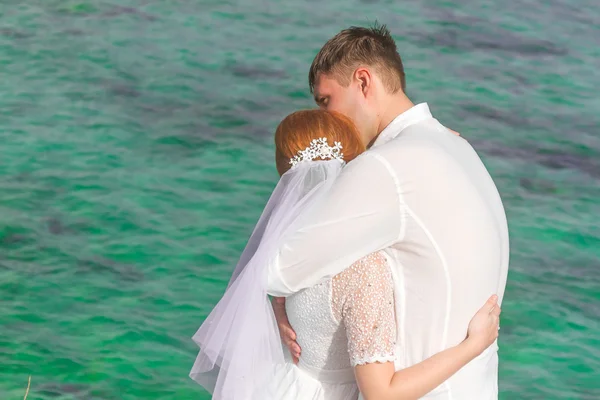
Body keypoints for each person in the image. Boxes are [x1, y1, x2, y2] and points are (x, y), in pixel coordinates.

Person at [190, 109, 501, 400]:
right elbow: (382, 393)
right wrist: (473, 345)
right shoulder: (364, 268)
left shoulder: (286, 248)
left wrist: (278, 309)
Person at [270, 25, 510, 400]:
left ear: (363, 81)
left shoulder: (385, 168)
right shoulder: (459, 148)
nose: (326, 119)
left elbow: (280, 268)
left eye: (326, 100)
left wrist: (280, 304)